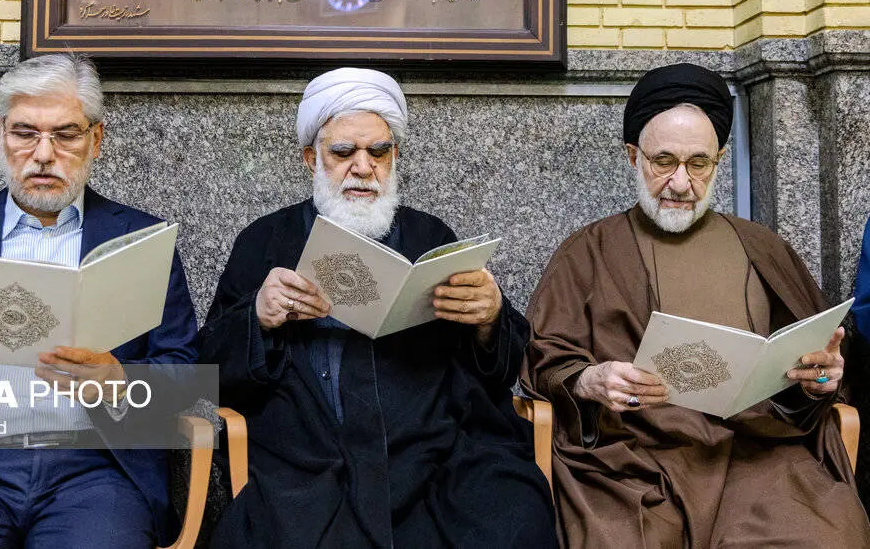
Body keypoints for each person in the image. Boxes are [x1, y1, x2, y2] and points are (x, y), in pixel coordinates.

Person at [198, 68, 555, 548]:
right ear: (312, 159)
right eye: (344, 152)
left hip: (433, 452)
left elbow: (498, 370)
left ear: (394, 156)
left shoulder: (431, 236)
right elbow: (208, 369)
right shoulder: (265, 241)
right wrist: (258, 318)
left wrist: (490, 318)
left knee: (514, 515)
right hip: (310, 459)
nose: (363, 167)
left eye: (379, 152)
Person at [522, 62, 870, 547]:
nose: (682, 183)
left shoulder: (762, 247)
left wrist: (820, 381)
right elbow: (544, 360)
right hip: (629, 462)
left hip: (758, 454)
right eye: (664, 161)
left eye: (699, 164)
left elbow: (817, 367)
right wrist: (589, 379)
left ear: (719, 160)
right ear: (633, 156)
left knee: (823, 534)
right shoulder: (588, 251)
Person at [0, 54, 198, 549]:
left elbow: (184, 378)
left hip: (95, 472)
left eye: (66, 134)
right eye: (26, 133)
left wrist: (119, 381)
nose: (44, 154)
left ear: (96, 139)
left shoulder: (142, 240)